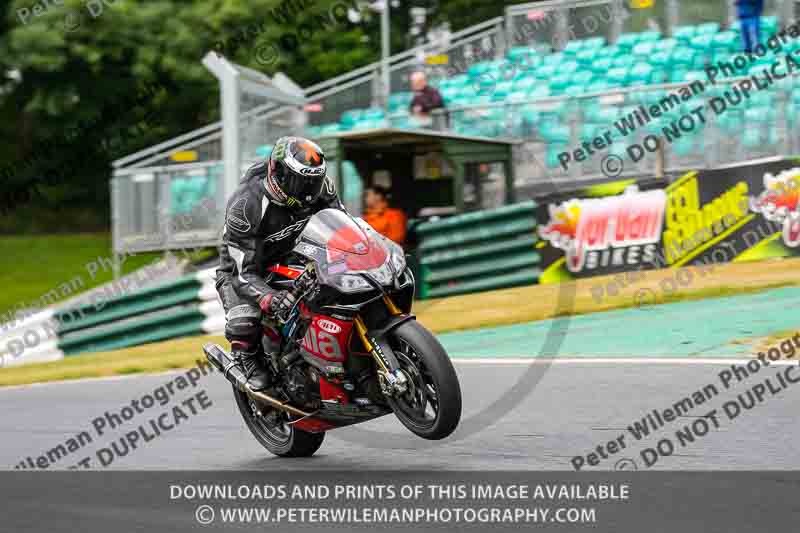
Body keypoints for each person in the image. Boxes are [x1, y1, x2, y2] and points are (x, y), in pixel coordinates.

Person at [216, 136, 344, 391]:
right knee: (245, 321)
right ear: (280, 173)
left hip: (295, 255)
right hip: (248, 270)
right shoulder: (246, 205)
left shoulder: (321, 188)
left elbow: (341, 227)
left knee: (338, 285)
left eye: (313, 182)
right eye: (301, 182)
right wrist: (269, 297)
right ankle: (246, 359)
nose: (308, 191)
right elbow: (242, 272)